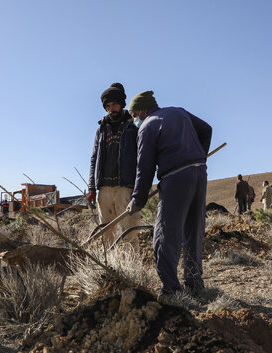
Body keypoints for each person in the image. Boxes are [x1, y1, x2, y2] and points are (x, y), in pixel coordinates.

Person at [125, 91, 212, 300]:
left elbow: (144, 167)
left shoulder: (147, 125)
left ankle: (171, 290)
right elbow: (206, 129)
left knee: (165, 235)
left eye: (134, 114)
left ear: (143, 110)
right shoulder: (178, 112)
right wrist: (199, 155)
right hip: (199, 173)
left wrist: (138, 199)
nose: (134, 119)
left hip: (176, 178)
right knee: (193, 231)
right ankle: (194, 285)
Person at [88, 83, 140, 246]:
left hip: (125, 187)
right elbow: (94, 158)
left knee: (129, 232)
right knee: (106, 234)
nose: (111, 109)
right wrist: (91, 188)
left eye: (114, 104)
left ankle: (132, 269)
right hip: (104, 189)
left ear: (122, 104)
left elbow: (142, 155)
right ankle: (110, 267)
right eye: (108, 106)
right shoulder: (101, 129)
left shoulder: (134, 125)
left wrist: (139, 186)